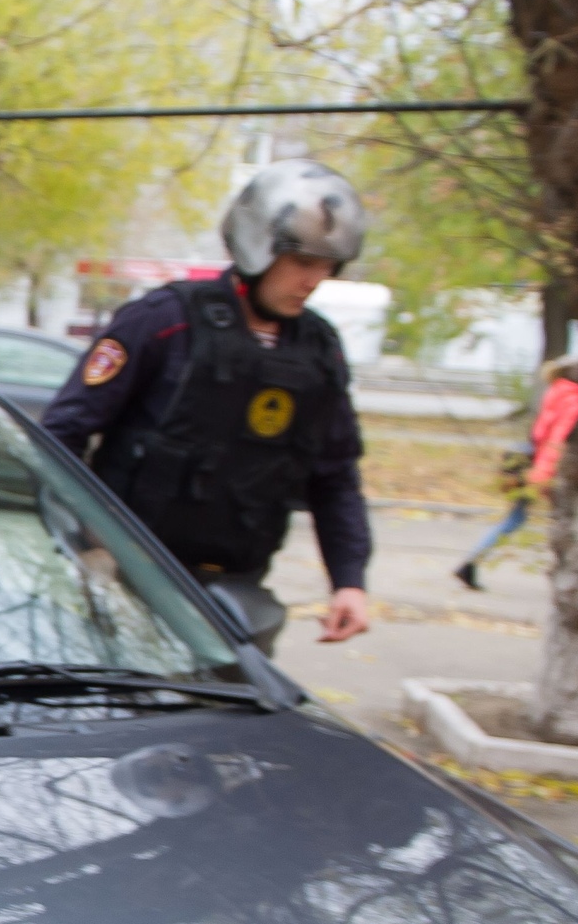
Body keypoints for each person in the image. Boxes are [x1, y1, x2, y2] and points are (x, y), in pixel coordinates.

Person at [41, 159, 375, 656]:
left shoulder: (318, 349)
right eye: (303, 262)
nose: (314, 280)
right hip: (125, 578)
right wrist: (84, 541)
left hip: (236, 596)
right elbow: (60, 436)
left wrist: (349, 580)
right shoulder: (164, 321)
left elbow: (335, 475)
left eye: (326, 266)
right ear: (258, 245)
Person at [454, 353, 578, 591]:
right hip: (545, 465)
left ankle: (472, 562)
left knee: (518, 518)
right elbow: (556, 439)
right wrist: (543, 473)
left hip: (532, 457)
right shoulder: (574, 398)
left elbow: (540, 433)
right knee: (567, 521)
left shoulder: (557, 391)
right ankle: (567, 575)